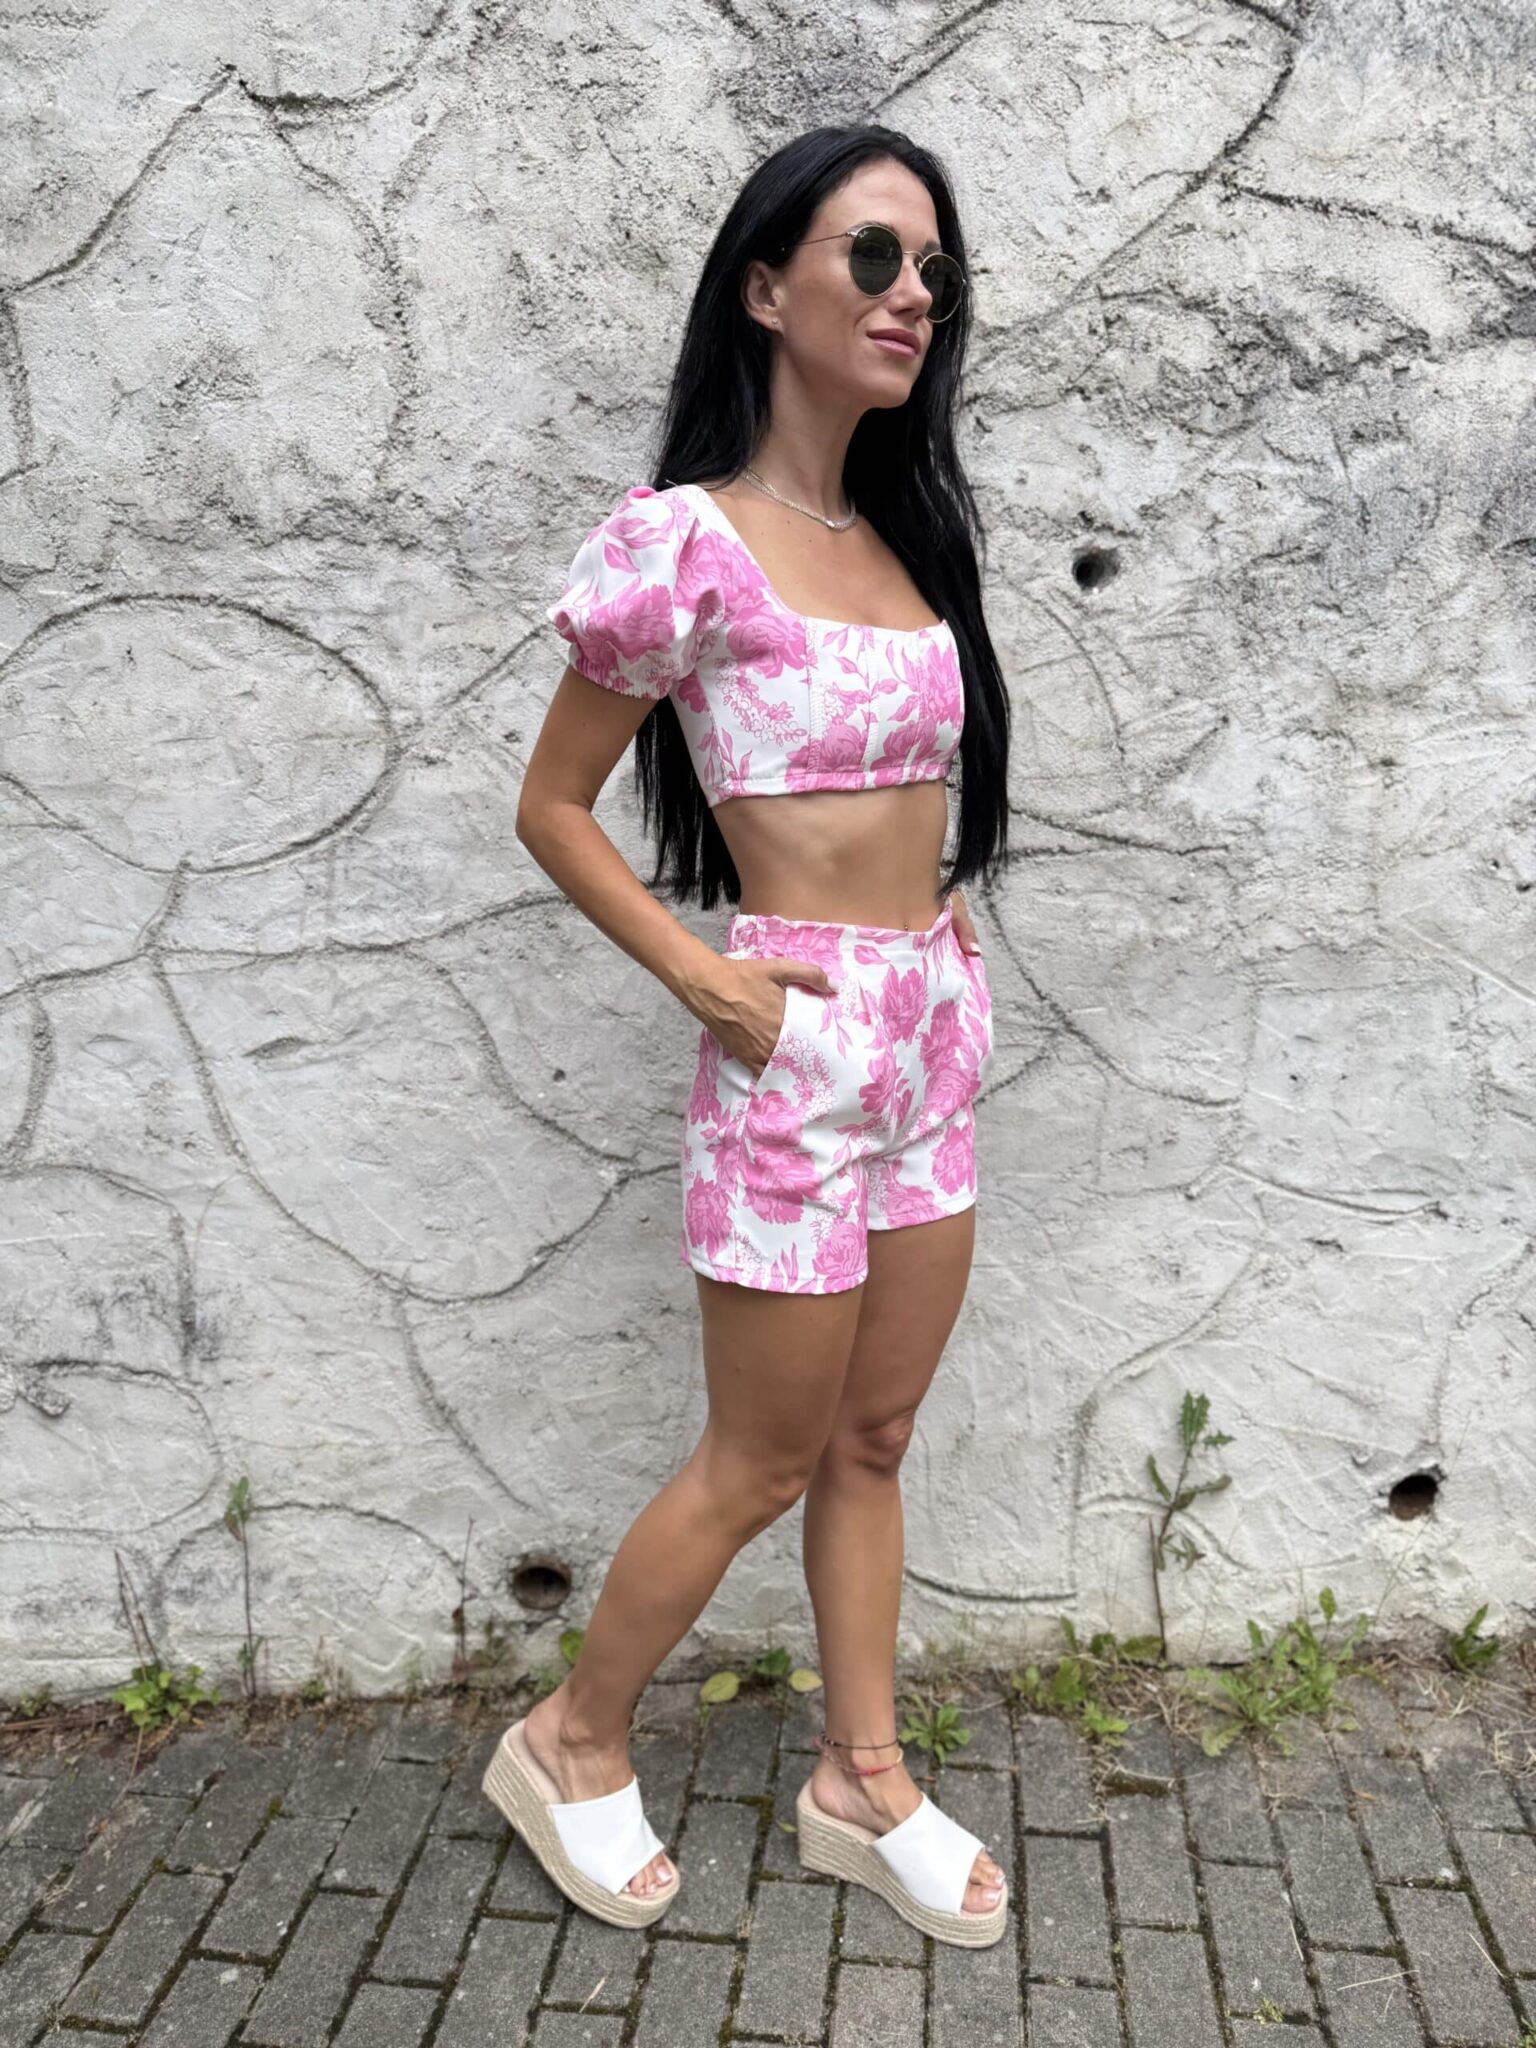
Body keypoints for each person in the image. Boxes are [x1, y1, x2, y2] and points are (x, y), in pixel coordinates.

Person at [483, 122, 1012, 1947]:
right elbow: (552, 804)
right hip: (796, 1048)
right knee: (761, 1456)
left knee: (876, 1434)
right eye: (873, 256)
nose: (913, 293)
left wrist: (933, 948)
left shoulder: (905, 534)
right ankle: (569, 1735)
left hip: (928, 1033)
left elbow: (919, 798)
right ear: (767, 288)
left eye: (931, 267)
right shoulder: (685, 545)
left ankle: (861, 1777)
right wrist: (702, 980)